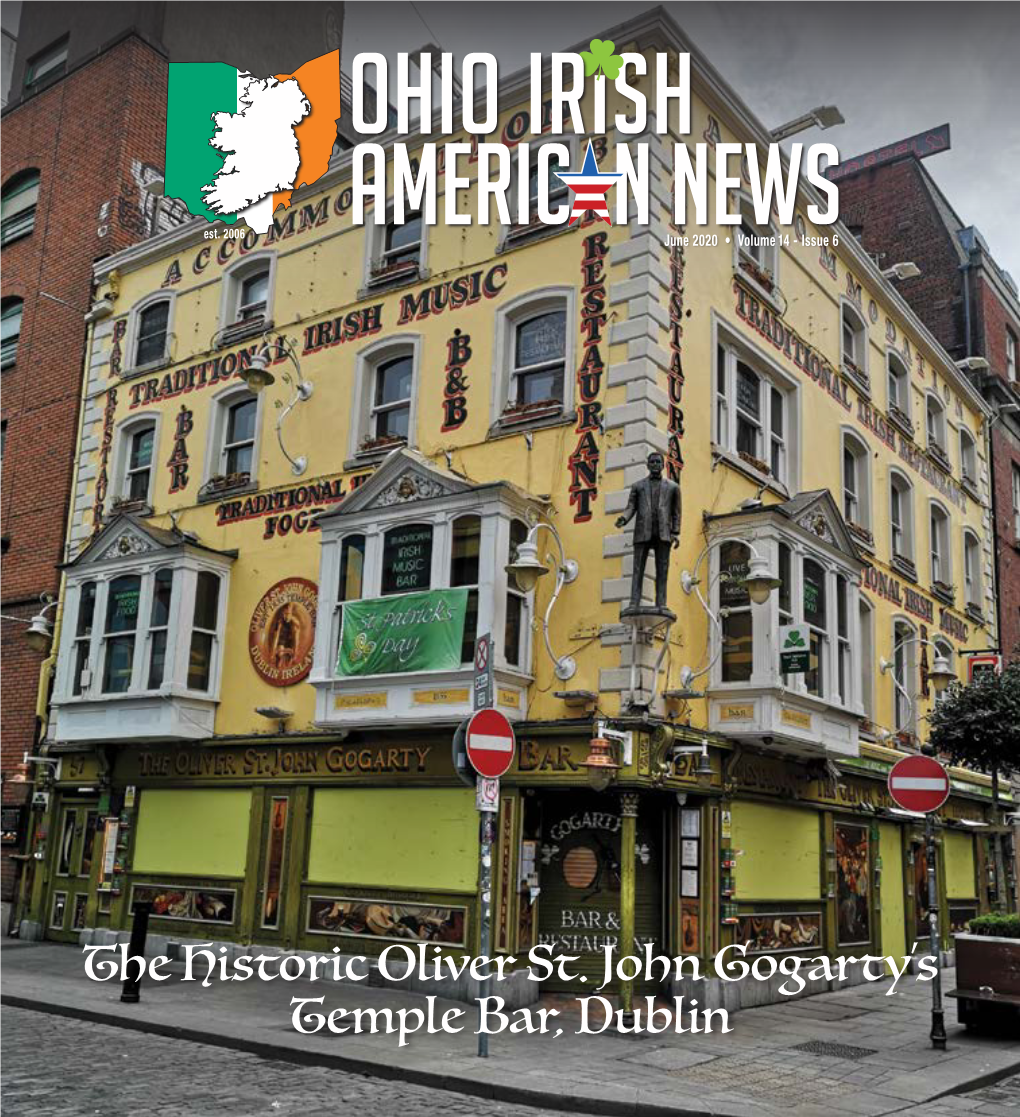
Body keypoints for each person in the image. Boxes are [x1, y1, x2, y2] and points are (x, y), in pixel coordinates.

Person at [615, 451, 681, 610]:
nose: (655, 465)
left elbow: (676, 512)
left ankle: (661, 604)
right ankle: (634, 603)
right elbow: (631, 506)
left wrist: (675, 533)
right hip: (642, 531)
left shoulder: (673, 487)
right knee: (637, 569)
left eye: (658, 462)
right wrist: (624, 518)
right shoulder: (638, 486)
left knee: (662, 571)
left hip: (663, 533)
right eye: (652, 462)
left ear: (663, 465)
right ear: (647, 465)